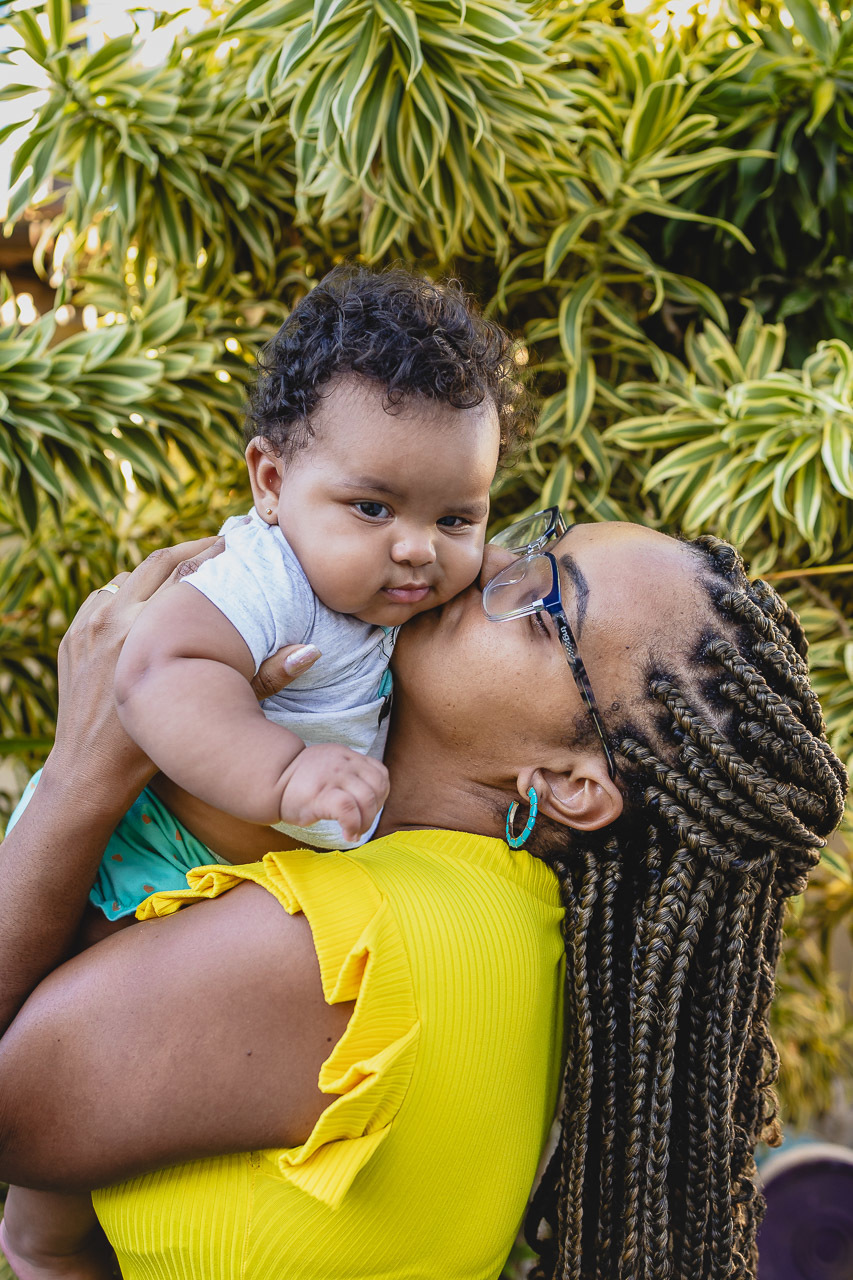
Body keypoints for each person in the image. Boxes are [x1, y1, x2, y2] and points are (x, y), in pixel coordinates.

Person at [0, 518, 845, 1280]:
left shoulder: (364, 946)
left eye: (545, 599)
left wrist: (86, 767)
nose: (485, 563)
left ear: (569, 784)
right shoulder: (510, 930)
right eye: (535, 534)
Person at [0, 265, 521, 1279]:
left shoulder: (386, 587)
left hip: (214, 879)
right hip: (134, 864)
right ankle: (36, 1243)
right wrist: (282, 773)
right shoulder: (264, 579)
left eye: (457, 518)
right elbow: (159, 671)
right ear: (272, 483)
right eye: (372, 506)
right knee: (65, 1041)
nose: (417, 550)